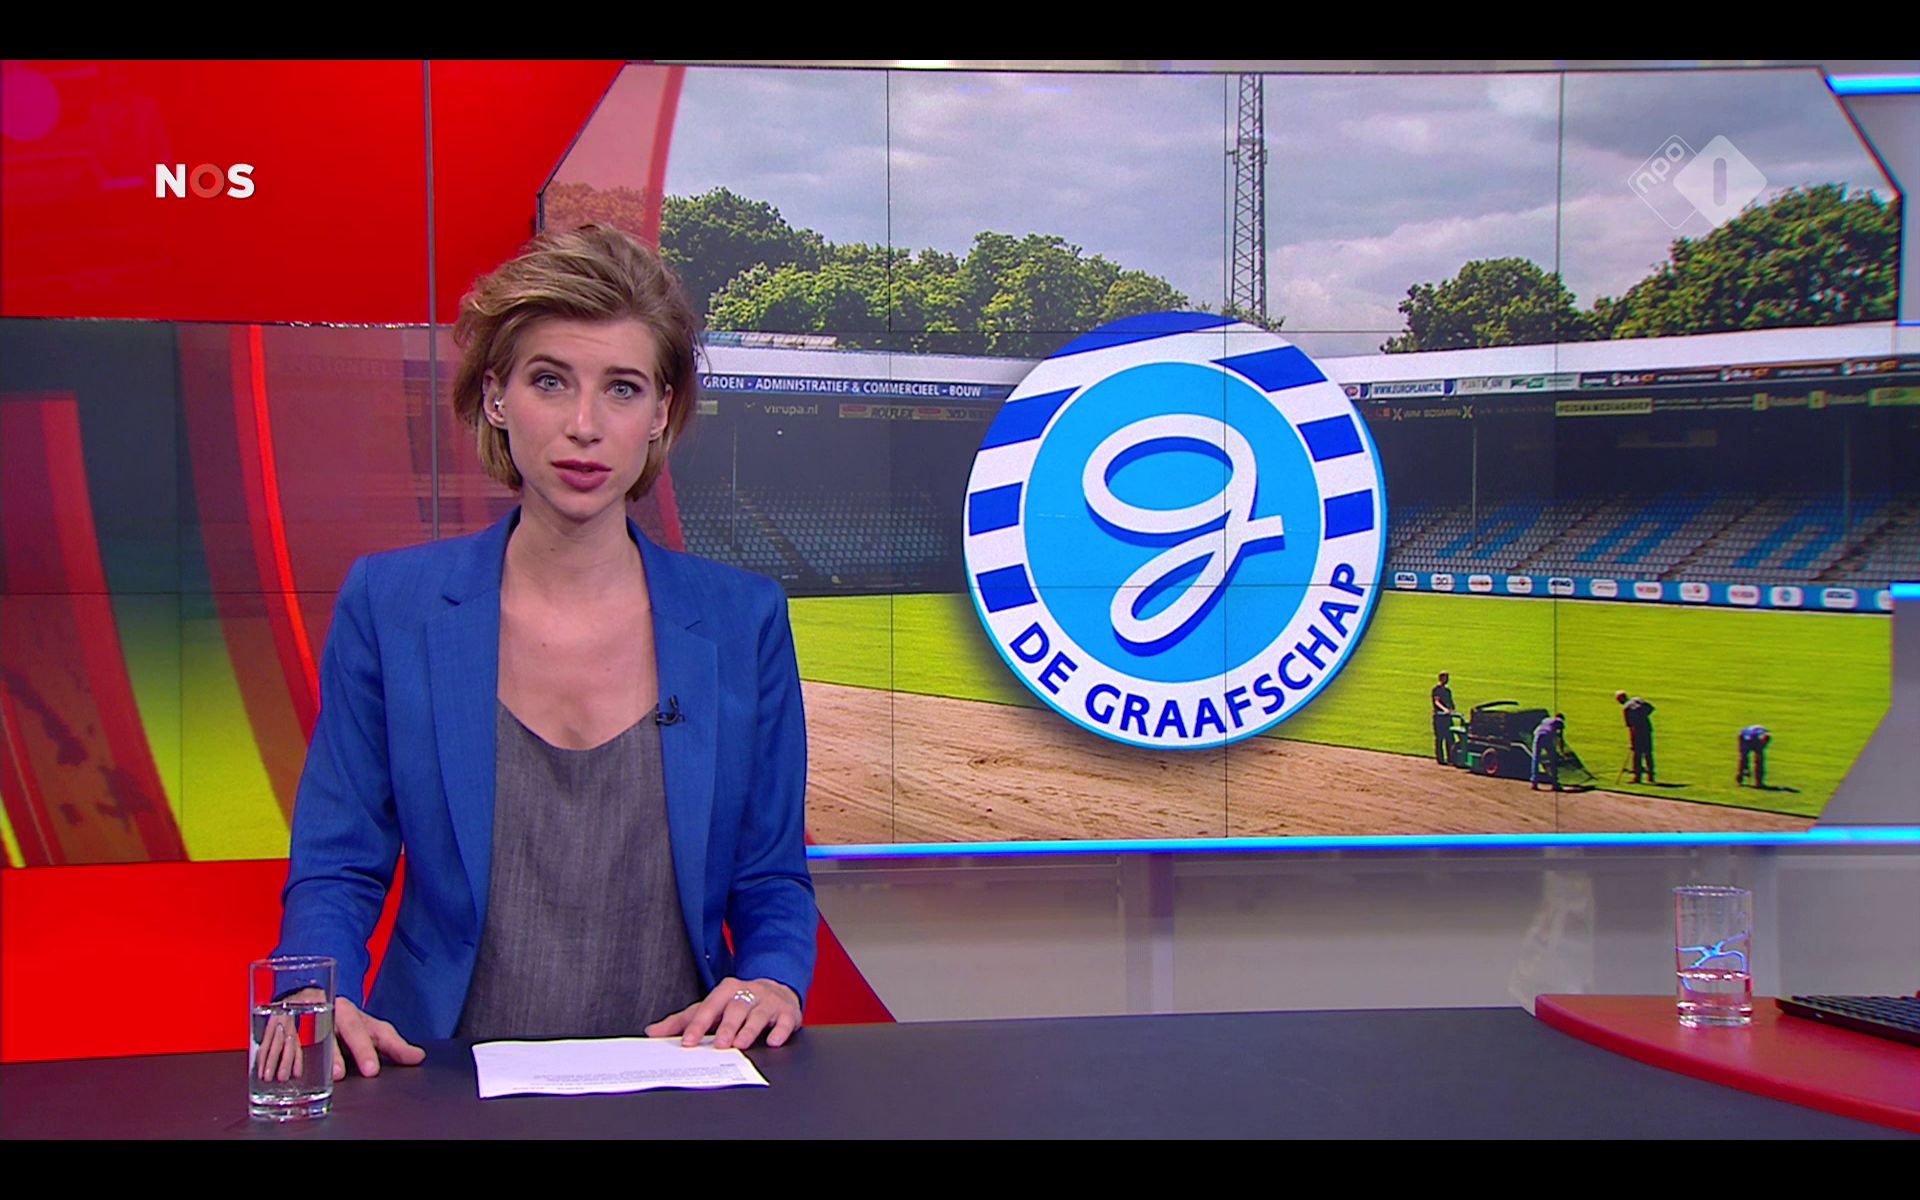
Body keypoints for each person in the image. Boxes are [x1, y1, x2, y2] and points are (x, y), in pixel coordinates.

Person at [262, 225, 816, 1086]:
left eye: (622, 388)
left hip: (682, 1076)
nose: (583, 426)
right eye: (550, 381)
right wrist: (312, 993)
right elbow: (338, 859)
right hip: (441, 1079)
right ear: (496, 397)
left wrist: (773, 976)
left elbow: (771, 871)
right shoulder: (390, 604)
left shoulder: (743, 619)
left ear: (660, 413)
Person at [1616, 690, 1656, 783]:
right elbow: (1651, 708)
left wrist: (1632, 741)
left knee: (1637, 755)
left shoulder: (1626, 708)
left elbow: (1630, 727)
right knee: (1648, 754)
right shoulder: (1637, 700)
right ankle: (1651, 776)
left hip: (1637, 732)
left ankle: (1637, 777)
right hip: (1647, 729)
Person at [1531, 713, 1565, 792]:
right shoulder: (1560, 721)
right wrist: (1561, 751)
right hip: (1547, 735)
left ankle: (1534, 782)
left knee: (1536, 759)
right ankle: (1555, 783)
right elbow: (1560, 738)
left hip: (1537, 734)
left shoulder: (1546, 719)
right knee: (1552, 759)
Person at [1431, 672, 1457, 765]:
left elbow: (1451, 703)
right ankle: (1440, 759)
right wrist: (1444, 709)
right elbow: (1437, 701)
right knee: (1440, 738)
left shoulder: (1447, 691)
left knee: (1450, 738)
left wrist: (1452, 709)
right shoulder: (1436, 690)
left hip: (1447, 718)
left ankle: (1451, 758)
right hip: (1439, 717)